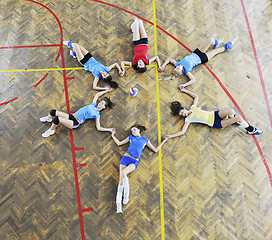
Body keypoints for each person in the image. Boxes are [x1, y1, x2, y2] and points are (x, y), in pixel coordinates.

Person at [164, 86, 263, 140]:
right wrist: (170, 136)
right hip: (215, 123)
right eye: (182, 115)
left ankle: (235, 122)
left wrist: (185, 90)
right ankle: (251, 130)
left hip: (214, 114)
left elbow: (196, 97)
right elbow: (182, 132)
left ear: (184, 108)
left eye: (183, 112)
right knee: (239, 118)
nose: (184, 115)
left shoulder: (193, 107)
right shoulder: (188, 120)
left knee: (231, 111)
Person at [111, 125, 168, 213]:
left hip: (134, 161)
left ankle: (126, 195)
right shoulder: (130, 137)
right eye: (132, 131)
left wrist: (164, 141)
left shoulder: (145, 140)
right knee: (121, 181)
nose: (133, 132)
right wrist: (112, 135)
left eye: (134, 130)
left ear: (139, 130)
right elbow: (119, 143)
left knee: (123, 173)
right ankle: (119, 206)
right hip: (125, 159)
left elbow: (155, 150)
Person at [159, 35, 238, 88]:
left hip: (197, 52)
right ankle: (232, 42)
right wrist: (184, 85)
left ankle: (216, 43)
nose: (178, 66)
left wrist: (162, 66)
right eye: (178, 68)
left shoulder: (178, 63)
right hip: (203, 58)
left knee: (210, 40)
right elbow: (193, 80)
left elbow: (169, 59)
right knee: (218, 50)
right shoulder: (186, 71)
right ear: (181, 71)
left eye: (176, 67)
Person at [40, 88, 115, 137]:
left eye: (102, 104)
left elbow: (98, 127)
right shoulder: (93, 104)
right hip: (71, 116)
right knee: (53, 112)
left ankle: (51, 130)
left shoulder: (97, 115)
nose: (100, 103)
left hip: (75, 122)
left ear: (104, 107)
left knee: (57, 119)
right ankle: (48, 118)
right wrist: (106, 90)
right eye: (101, 102)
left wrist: (109, 129)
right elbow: (97, 95)